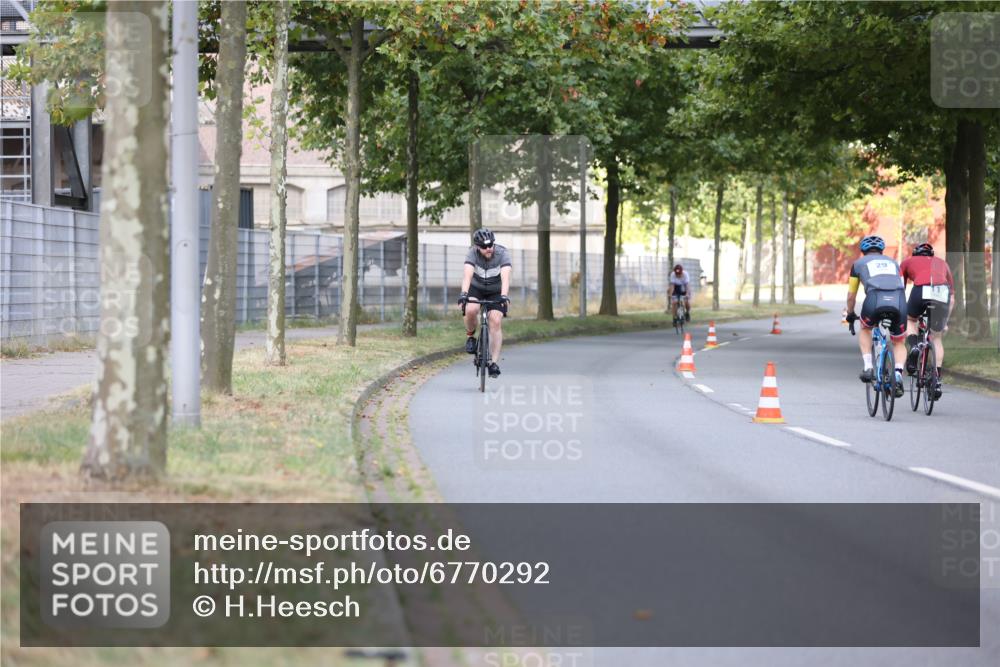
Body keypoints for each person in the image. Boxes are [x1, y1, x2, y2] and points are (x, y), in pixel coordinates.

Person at [844, 235, 907, 398]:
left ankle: (868, 367)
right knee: (899, 341)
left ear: (863, 251)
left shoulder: (858, 264)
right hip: (898, 299)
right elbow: (901, 285)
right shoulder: (894, 263)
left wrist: (850, 314)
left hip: (874, 299)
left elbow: (851, 295)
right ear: (882, 250)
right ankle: (898, 374)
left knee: (865, 328)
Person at [900, 242, 953, 399]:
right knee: (936, 337)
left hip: (921, 289)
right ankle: (936, 379)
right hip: (942, 291)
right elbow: (952, 298)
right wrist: (945, 321)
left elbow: (899, 289)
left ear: (915, 254)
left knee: (910, 319)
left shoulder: (908, 262)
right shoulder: (943, 264)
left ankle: (915, 345)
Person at [457, 228, 511, 378]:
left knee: (495, 320)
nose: (488, 249)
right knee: (471, 309)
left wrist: (504, 296)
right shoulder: (472, 253)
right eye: (484, 247)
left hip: (496, 291)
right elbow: (467, 276)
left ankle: (493, 363)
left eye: (490, 245)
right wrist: (464, 294)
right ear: (477, 247)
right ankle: (470, 336)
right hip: (476, 288)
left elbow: (506, 278)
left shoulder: (502, 253)